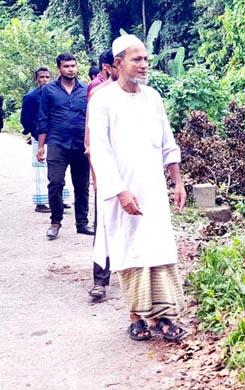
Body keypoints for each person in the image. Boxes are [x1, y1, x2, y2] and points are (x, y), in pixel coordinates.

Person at [88, 34, 188, 341]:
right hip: (122, 193)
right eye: (137, 59)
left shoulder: (153, 98)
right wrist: (120, 191)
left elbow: (167, 144)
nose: (144, 65)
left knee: (159, 248)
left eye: (146, 59)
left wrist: (178, 182)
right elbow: (100, 151)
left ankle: (165, 317)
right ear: (117, 64)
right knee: (129, 251)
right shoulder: (102, 101)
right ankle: (136, 317)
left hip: (154, 190)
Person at [37, 53, 93, 239]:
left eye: (73, 66)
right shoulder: (49, 90)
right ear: (59, 69)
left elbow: (91, 119)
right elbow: (43, 118)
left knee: (82, 185)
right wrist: (41, 146)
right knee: (55, 183)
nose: (71, 69)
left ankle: (82, 223)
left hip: (80, 144)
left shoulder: (86, 90)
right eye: (66, 66)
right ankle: (55, 222)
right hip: (57, 143)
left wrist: (91, 143)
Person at [85, 49, 118, 300]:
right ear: (111, 65)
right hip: (107, 171)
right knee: (103, 226)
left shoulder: (146, 96)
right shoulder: (99, 95)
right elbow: (91, 144)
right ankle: (100, 280)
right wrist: (97, 176)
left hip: (135, 173)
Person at [22, 67, 73, 213]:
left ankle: (59, 200)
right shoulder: (31, 97)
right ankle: (41, 203)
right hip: (39, 136)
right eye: (41, 77)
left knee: (58, 169)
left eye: (47, 77)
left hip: (55, 136)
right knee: (40, 170)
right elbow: (25, 119)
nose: (44, 80)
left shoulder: (55, 93)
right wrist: (34, 133)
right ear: (36, 79)